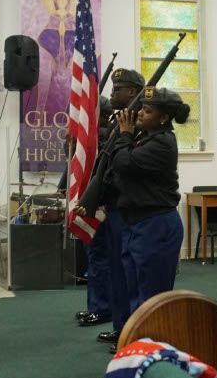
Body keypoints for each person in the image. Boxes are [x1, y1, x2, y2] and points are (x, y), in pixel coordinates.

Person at [106, 87, 189, 352]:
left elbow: (122, 163)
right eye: (141, 107)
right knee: (135, 289)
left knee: (151, 295)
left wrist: (124, 135)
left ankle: (154, 348)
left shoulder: (162, 143)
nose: (140, 113)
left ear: (163, 118)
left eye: (148, 110)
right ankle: (138, 344)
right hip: (138, 222)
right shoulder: (146, 138)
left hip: (157, 224)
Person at [77, 69, 145, 335]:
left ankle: (124, 326)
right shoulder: (120, 124)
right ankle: (119, 325)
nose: (113, 93)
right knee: (110, 266)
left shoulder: (135, 126)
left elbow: (123, 166)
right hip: (111, 203)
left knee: (121, 269)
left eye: (119, 89)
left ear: (133, 92)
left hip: (124, 207)